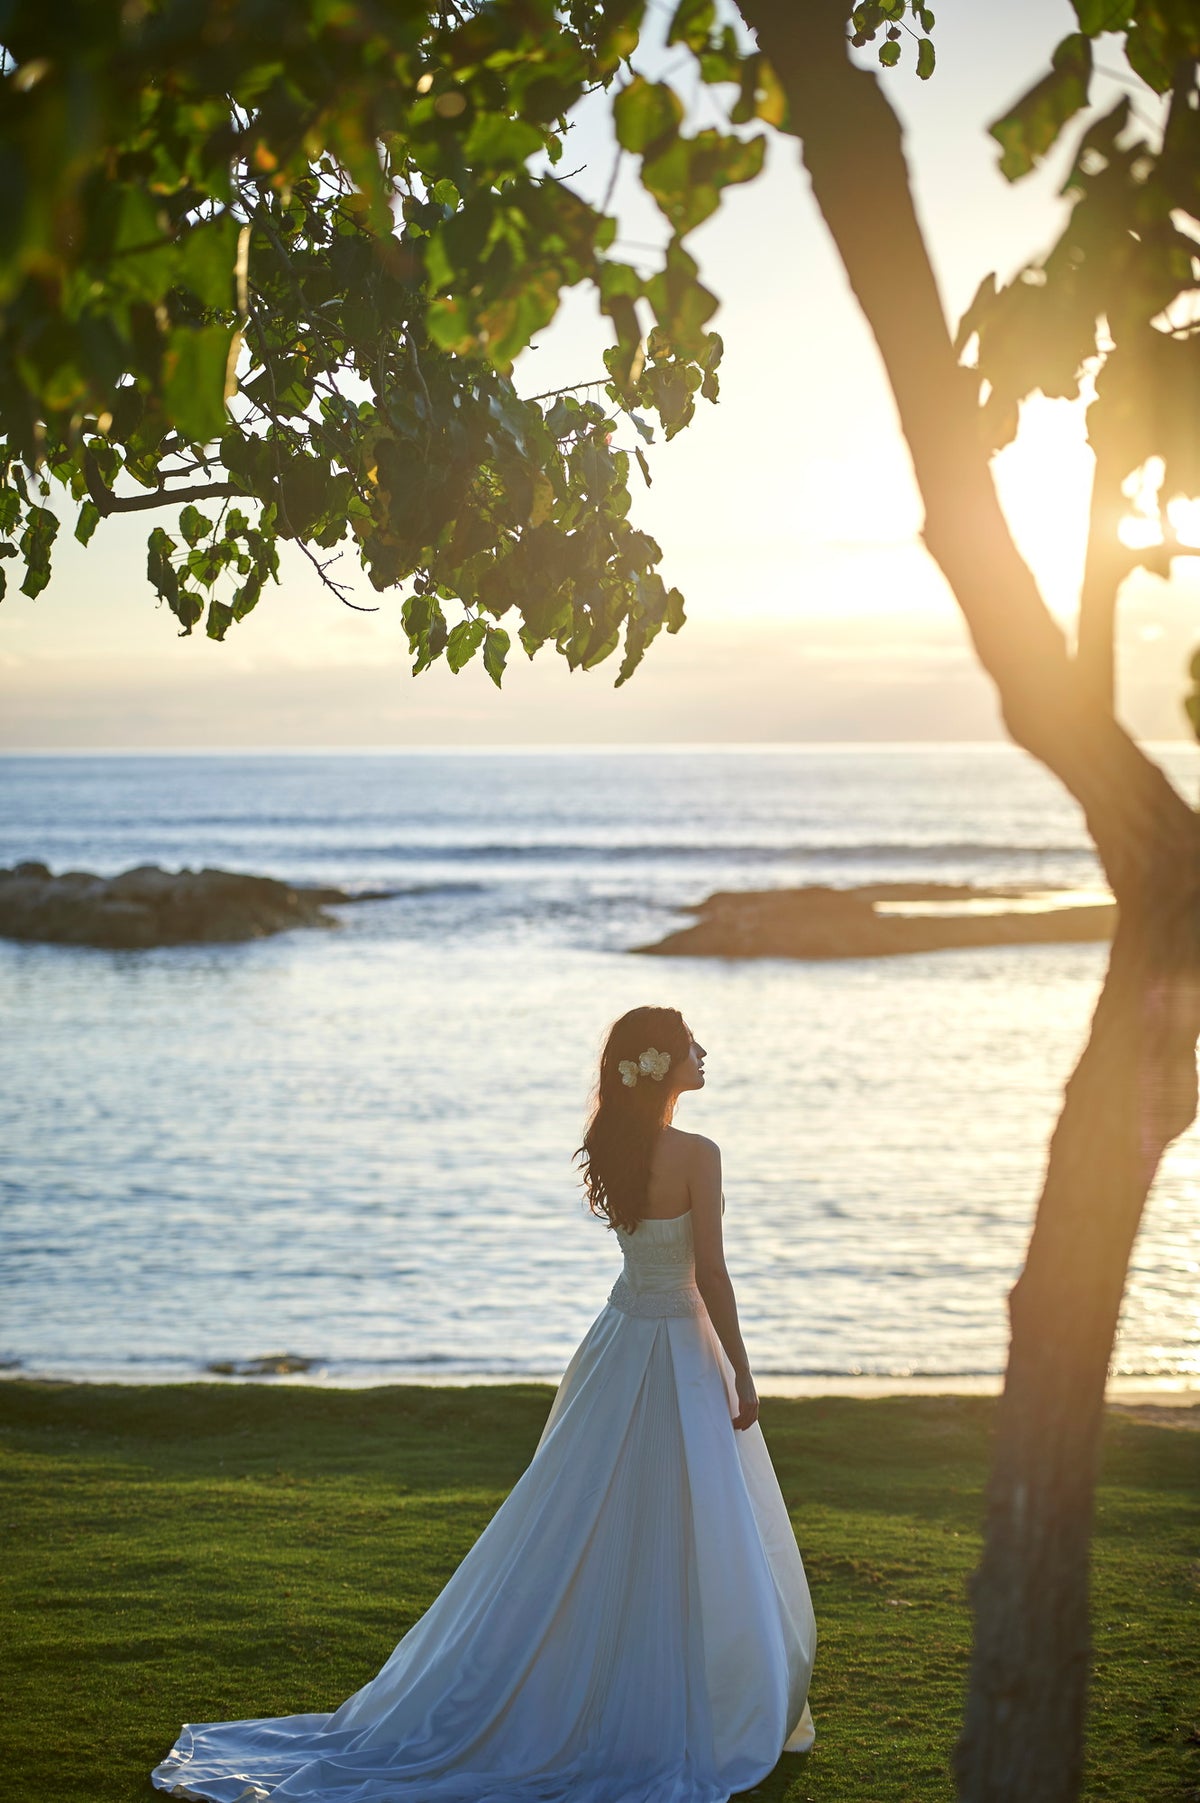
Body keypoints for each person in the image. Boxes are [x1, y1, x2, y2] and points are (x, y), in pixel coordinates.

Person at [151, 1004, 817, 1803]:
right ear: (658, 1062)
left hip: (619, 1338)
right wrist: (743, 1368)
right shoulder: (698, 1153)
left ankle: (596, 1674)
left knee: (587, 1512)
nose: (704, 1052)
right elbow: (709, 1273)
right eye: (689, 1045)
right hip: (677, 1346)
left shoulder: (619, 1145)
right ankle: (679, 1693)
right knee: (686, 1513)